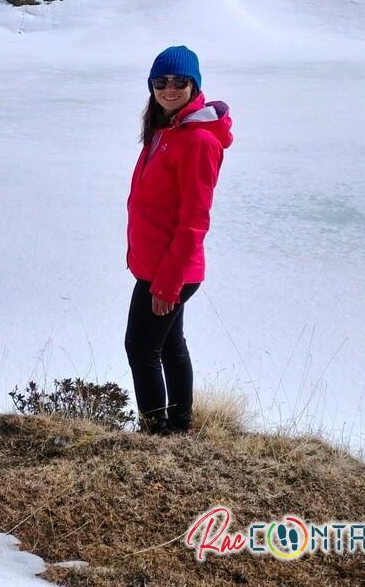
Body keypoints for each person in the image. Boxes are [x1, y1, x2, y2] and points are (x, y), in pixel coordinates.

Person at [124, 45, 233, 435]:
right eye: (161, 81)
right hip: (158, 264)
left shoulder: (198, 142)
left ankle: (156, 436)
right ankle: (179, 428)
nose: (170, 89)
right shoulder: (166, 129)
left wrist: (168, 284)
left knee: (141, 349)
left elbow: (193, 222)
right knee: (169, 345)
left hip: (170, 272)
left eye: (180, 82)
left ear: (195, 85)